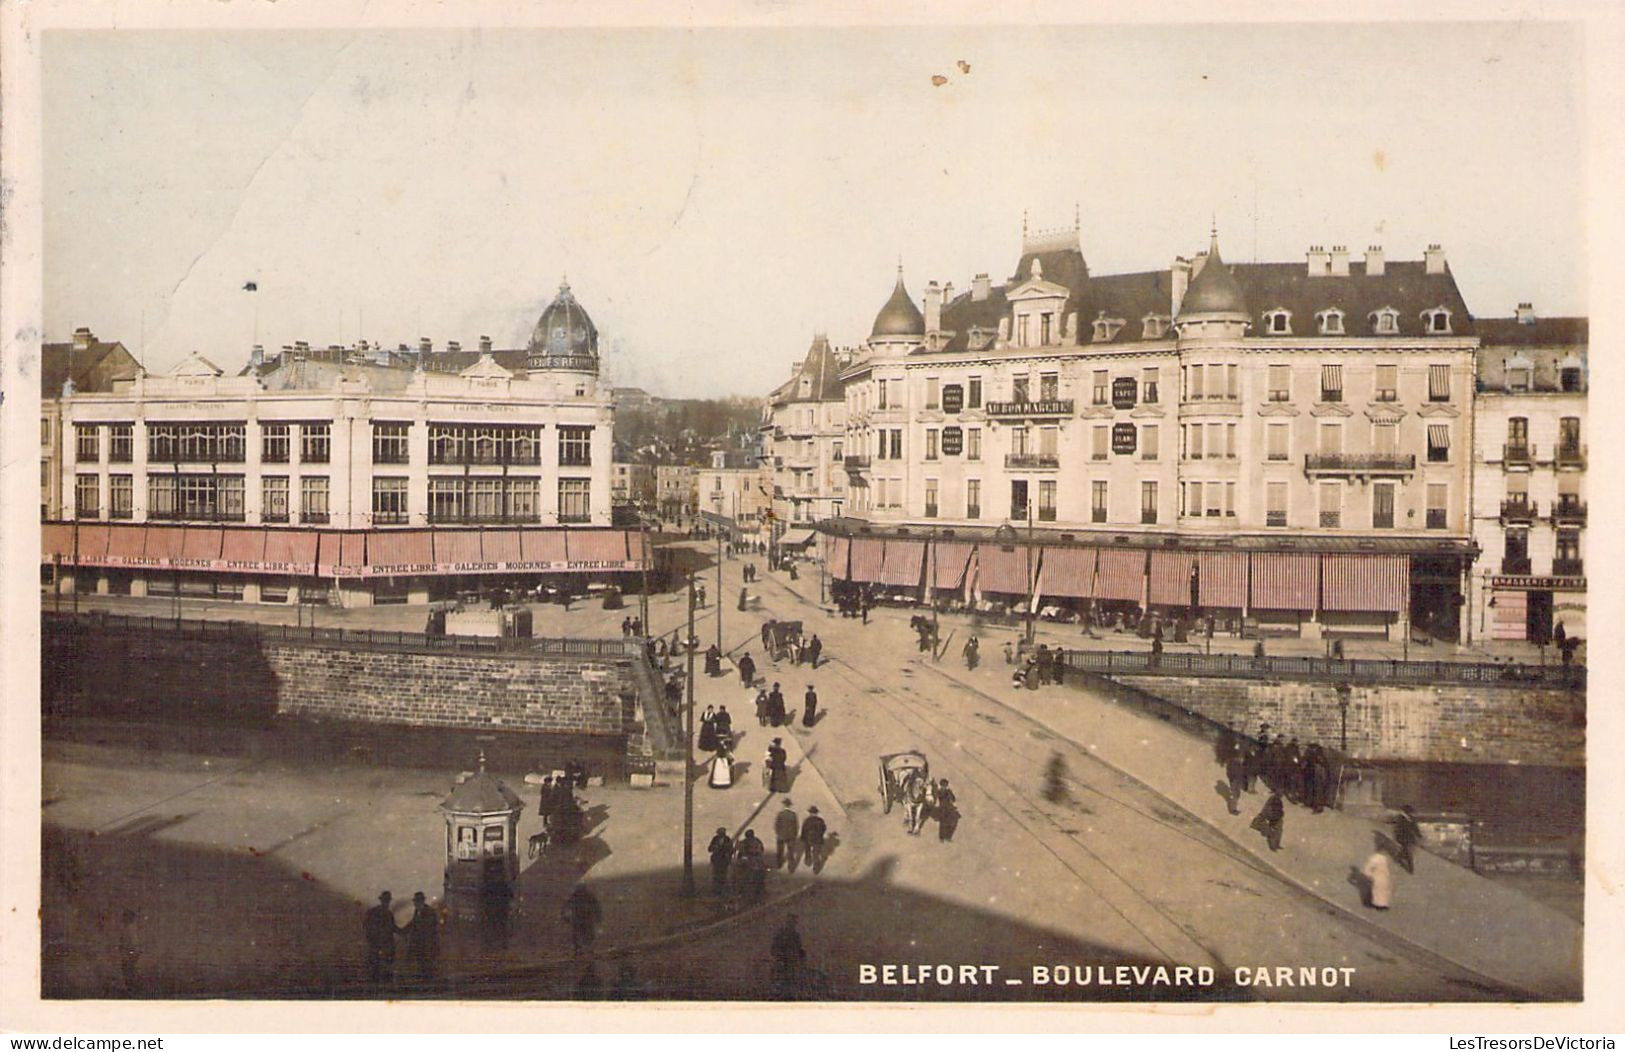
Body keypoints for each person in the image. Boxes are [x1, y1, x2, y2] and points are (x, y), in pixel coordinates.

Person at [363, 891, 401, 983]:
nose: (386, 903)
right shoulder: (379, 913)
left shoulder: (383, 913)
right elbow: (367, 927)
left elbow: (392, 928)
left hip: (381, 946)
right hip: (381, 945)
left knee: (379, 969)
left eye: (387, 901)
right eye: (385, 901)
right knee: (379, 969)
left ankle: (379, 987)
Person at [402, 891, 440, 981]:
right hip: (422, 945)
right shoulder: (418, 911)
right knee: (422, 965)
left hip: (428, 945)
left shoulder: (429, 912)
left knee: (427, 966)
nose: (414, 904)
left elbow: (427, 929)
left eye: (416, 901)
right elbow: (413, 923)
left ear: (421, 901)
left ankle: (428, 983)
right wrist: (402, 931)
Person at [770, 914, 807, 995]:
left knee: (790, 978)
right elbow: (774, 947)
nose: (793, 924)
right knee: (782, 977)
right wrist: (779, 956)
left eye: (794, 922)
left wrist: (801, 954)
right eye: (791, 922)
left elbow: (799, 947)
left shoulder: (796, 935)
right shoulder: (781, 934)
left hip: (791, 961)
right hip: (783, 961)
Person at [563, 884, 602, 955]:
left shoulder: (576, 896)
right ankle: (584, 949)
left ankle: (581, 949)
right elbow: (597, 907)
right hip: (583, 918)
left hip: (581, 918)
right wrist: (598, 917)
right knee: (584, 934)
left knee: (580, 934)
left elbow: (566, 907)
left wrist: (565, 917)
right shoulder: (588, 895)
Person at [1393, 806, 1422, 873]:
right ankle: (1410, 868)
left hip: (1410, 837)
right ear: (1406, 812)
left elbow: (1415, 827)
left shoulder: (1411, 818)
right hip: (1403, 837)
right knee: (1409, 853)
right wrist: (1397, 838)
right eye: (1410, 812)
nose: (1411, 813)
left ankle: (1399, 857)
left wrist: (1419, 835)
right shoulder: (1400, 818)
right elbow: (1397, 829)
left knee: (1406, 850)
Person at [799, 806, 828, 873]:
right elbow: (824, 829)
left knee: (807, 850)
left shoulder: (807, 820)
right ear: (817, 813)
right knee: (816, 854)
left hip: (808, 838)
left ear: (810, 813)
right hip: (817, 839)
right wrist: (820, 835)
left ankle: (808, 861)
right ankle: (816, 868)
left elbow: (804, 830)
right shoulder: (820, 820)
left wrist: (803, 838)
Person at [774, 800, 800, 871]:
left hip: (781, 835)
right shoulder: (793, 814)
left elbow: (776, 825)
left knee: (780, 851)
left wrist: (778, 833)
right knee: (791, 852)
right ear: (790, 806)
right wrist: (794, 835)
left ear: (784, 805)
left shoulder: (780, 814)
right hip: (791, 836)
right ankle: (791, 867)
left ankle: (779, 864)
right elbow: (796, 826)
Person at [707, 827, 734, 894]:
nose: (721, 834)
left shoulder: (727, 839)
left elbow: (731, 849)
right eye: (720, 832)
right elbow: (710, 848)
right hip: (716, 860)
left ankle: (723, 890)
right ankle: (716, 890)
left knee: (723, 875)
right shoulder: (715, 839)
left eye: (722, 832)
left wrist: (727, 853)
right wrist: (714, 847)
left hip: (724, 860)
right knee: (716, 875)